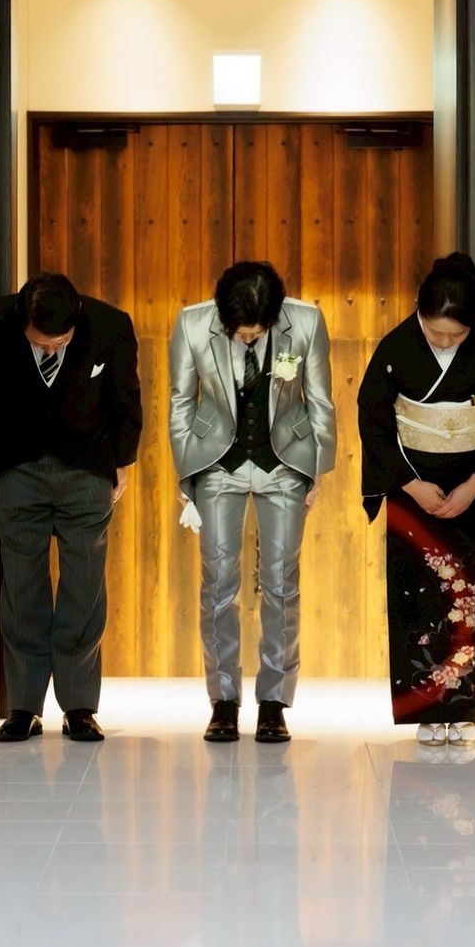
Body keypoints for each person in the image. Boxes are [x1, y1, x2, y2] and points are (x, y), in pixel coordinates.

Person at [357, 253, 475, 745]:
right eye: (436, 333)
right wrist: (410, 484)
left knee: (474, 598)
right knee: (417, 598)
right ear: (419, 312)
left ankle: (464, 709)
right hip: (413, 491)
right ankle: (424, 712)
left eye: (456, 336)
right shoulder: (395, 349)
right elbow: (373, 419)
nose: (445, 343)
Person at [0, 272, 142, 743]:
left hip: (86, 471)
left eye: (58, 343)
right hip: (16, 469)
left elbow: (126, 397)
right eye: (40, 343)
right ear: (22, 317)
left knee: (83, 587)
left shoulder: (110, 325)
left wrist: (122, 463)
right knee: (22, 588)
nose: (49, 349)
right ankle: (24, 706)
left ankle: (79, 706)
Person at [169, 262, 335, 744]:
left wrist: (318, 470)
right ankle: (223, 700)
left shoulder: (306, 321)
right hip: (216, 463)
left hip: (284, 462)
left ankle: (274, 702)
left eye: (256, 332)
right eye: (240, 331)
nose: (248, 338)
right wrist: (186, 470)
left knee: (281, 583)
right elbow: (181, 401)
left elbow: (320, 400)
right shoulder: (191, 323)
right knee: (218, 582)